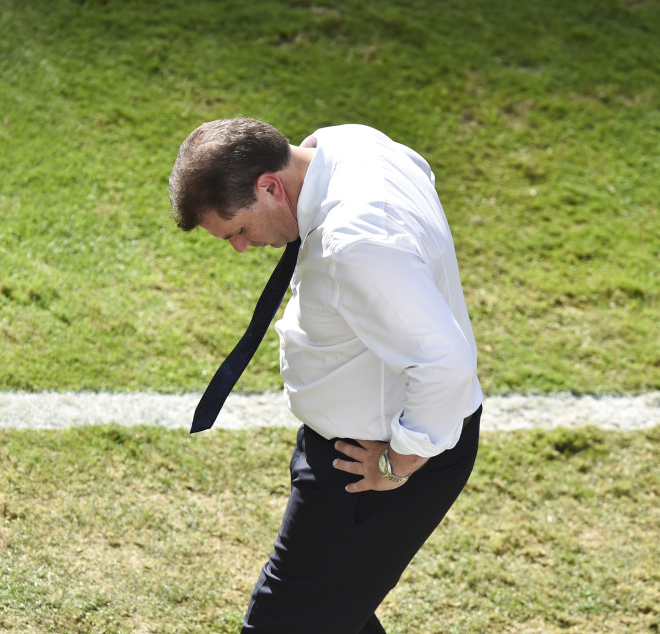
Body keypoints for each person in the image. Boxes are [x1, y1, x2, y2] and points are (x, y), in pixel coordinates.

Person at [168, 118, 484, 634]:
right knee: (335, 616)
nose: (242, 248)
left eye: (239, 230)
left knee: (283, 624)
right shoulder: (348, 143)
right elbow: (420, 176)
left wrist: (397, 463)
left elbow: (445, 364)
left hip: (372, 464)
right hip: (355, 445)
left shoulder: (356, 242)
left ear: (269, 186)